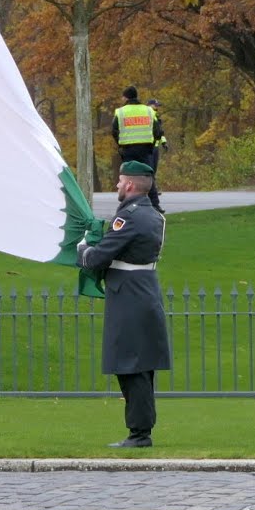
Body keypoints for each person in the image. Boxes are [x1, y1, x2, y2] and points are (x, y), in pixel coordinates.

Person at [75, 160, 171, 448]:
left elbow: (97, 257)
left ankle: (139, 433)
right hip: (143, 291)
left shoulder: (128, 217)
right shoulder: (153, 215)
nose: (117, 185)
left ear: (129, 185)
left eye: (119, 181)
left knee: (131, 365)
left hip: (129, 294)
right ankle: (140, 429)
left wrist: (82, 247)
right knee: (138, 364)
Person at [111, 86, 165, 213]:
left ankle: (126, 205)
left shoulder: (121, 112)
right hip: (145, 149)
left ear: (126, 97)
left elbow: (114, 131)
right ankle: (155, 205)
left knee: (127, 177)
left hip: (128, 149)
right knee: (147, 176)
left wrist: (120, 144)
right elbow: (157, 131)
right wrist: (152, 144)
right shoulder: (148, 111)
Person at [146, 98, 169, 207]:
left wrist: (164, 142)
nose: (157, 107)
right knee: (150, 170)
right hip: (149, 146)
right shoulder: (148, 116)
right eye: (156, 105)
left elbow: (160, 132)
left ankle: (153, 189)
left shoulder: (156, 117)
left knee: (153, 170)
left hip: (155, 146)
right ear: (150, 105)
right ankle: (150, 191)